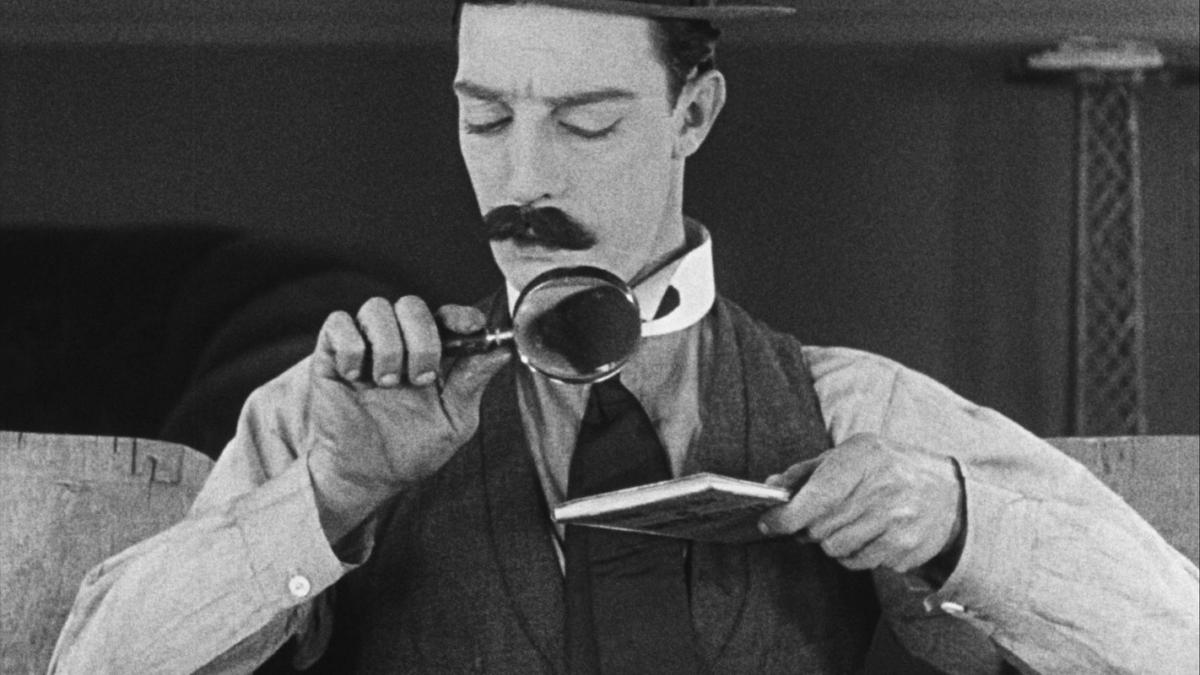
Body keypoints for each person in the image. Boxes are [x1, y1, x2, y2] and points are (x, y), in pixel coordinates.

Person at [51, 1, 1198, 673]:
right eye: (484, 118)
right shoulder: (329, 413)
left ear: (692, 114)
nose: (524, 176)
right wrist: (335, 494)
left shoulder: (859, 409)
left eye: (586, 122)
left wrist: (959, 524)